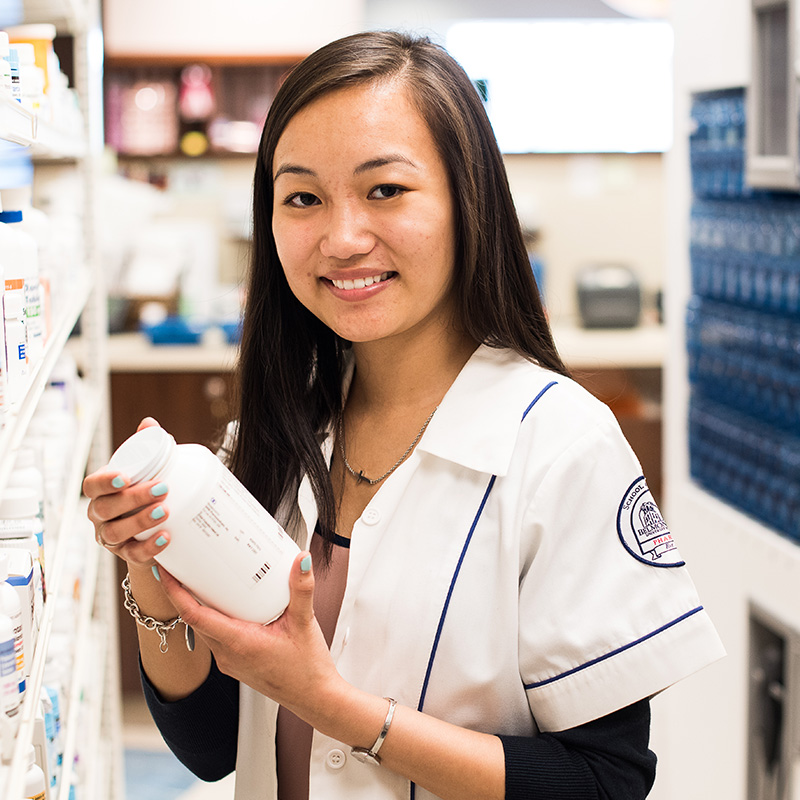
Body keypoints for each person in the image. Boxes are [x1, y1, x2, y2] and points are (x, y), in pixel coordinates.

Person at [84, 30, 725, 800]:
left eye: (385, 190)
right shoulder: (279, 428)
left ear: (467, 200)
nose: (343, 238)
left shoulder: (560, 447)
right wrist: (149, 567)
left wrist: (332, 705)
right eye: (302, 198)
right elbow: (215, 743)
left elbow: (603, 782)